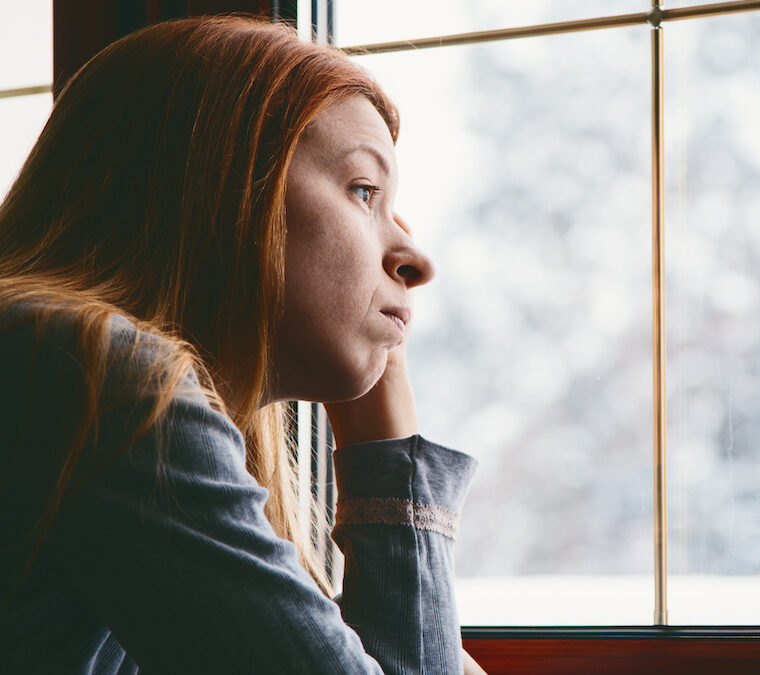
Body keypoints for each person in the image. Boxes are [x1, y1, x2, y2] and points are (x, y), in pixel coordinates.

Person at [0, 15, 485, 675]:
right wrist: (387, 447)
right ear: (223, 186)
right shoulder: (93, 372)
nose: (414, 257)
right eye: (365, 191)